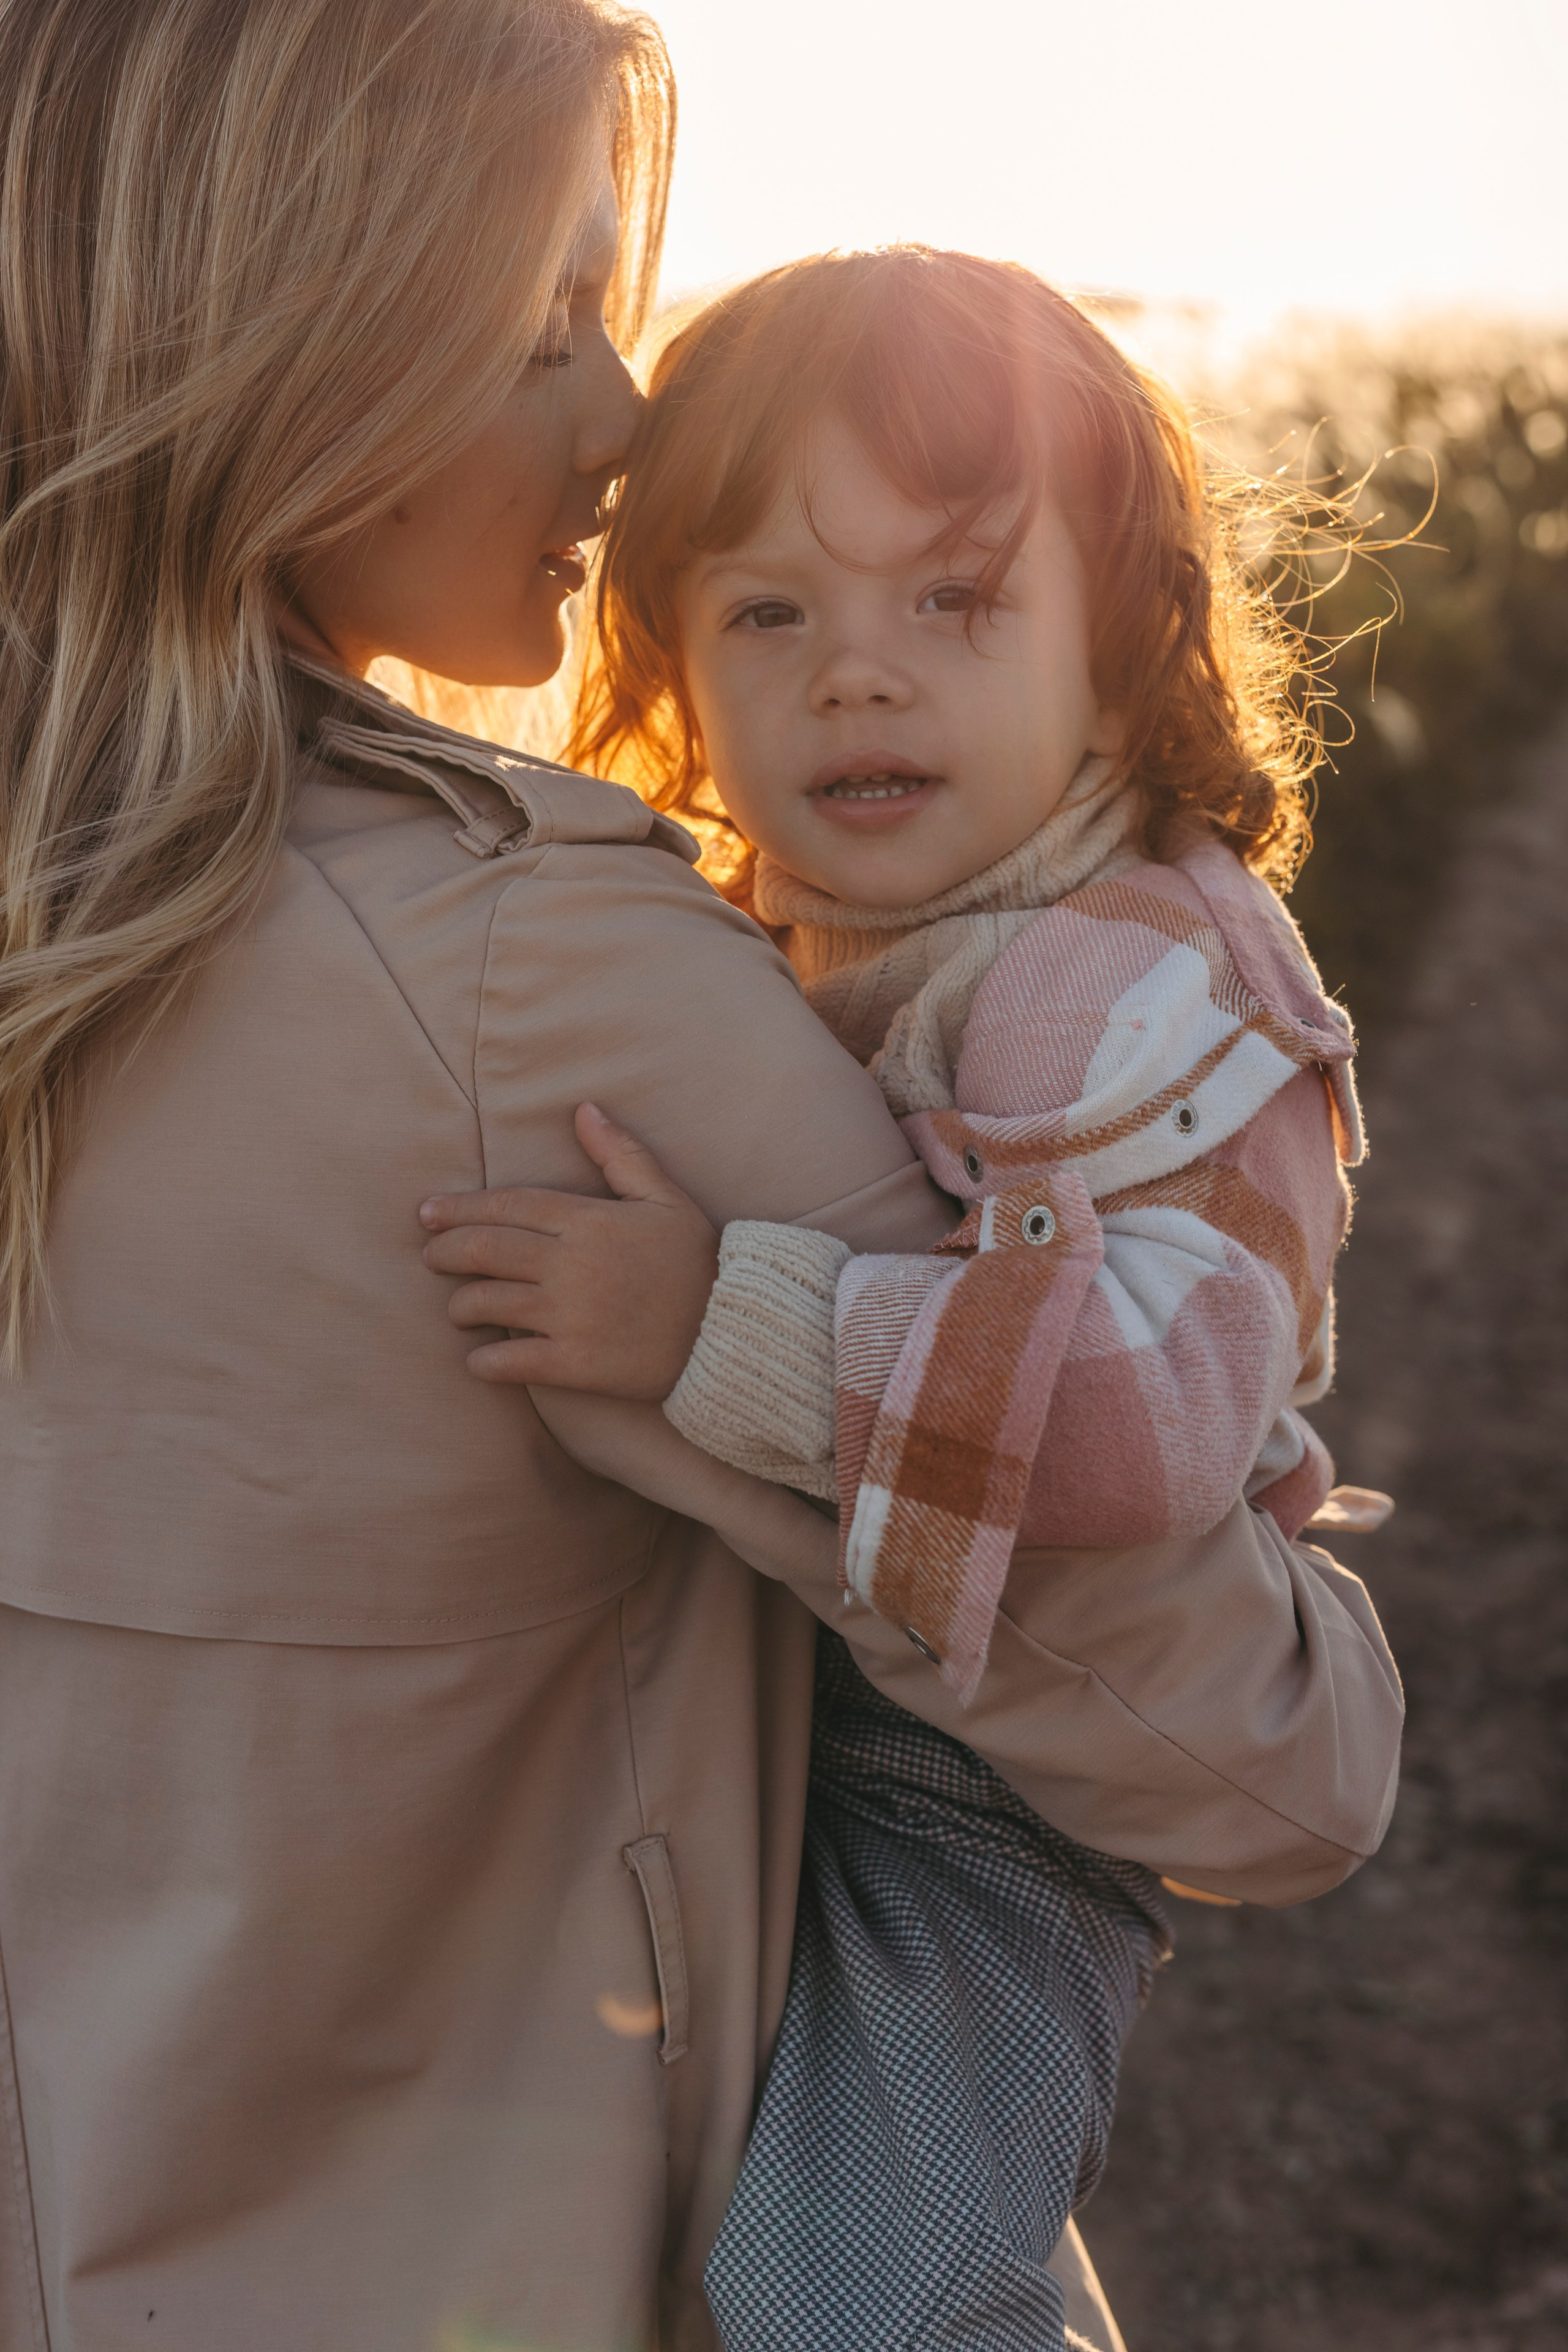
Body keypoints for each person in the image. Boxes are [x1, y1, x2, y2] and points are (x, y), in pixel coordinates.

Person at [0, 4, 1400, 2344]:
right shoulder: (536, 968)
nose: (623, 416)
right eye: (550, 318)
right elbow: (1276, 1766)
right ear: (294, 327)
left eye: (956, 600)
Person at [417, 250, 1399, 2347]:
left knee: (871, 2297)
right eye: (772, 614)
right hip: (787, 1693)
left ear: (1124, 664)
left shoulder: (1132, 984)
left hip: (988, 1797)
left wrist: (717, 1325)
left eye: (953, 599)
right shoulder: (811, 928)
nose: (854, 675)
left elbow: (1142, 1429)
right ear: (675, 666)